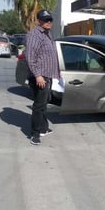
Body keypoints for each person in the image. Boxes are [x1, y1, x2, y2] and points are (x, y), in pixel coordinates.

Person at [26, 10, 60, 145]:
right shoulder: (34, 35)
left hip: (48, 75)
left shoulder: (47, 34)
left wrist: (57, 70)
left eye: (50, 20)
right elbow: (30, 57)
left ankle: (43, 128)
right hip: (39, 77)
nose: (49, 22)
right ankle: (35, 134)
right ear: (39, 21)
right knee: (39, 106)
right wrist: (38, 75)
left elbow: (49, 55)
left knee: (44, 104)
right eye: (46, 20)